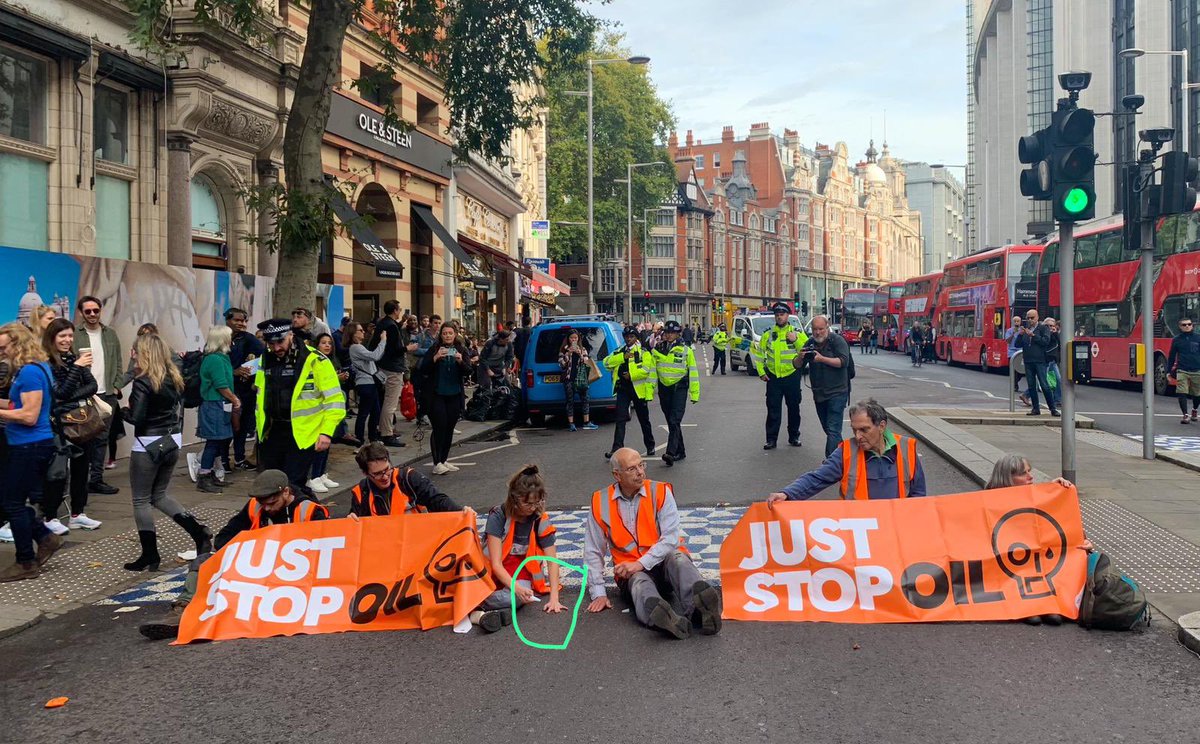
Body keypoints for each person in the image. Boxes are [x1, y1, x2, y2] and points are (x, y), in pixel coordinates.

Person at [137, 469, 328, 640]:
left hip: (295, 573)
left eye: (272, 503)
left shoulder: (309, 510)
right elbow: (223, 538)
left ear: (286, 492)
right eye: (263, 504)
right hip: (259, 567)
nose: (267, 509)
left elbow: (328, 552)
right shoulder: (256, 505)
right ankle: (183, 610)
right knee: (202, 561)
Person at [584, 448, 721, 639]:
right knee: (640, 583)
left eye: (641, 465)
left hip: (663, 565)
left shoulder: (660, 491)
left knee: (678, 558)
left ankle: (700, 610)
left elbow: (671, 538)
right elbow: (593, 550)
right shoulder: (600, 501)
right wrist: (598, 592)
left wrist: (640, 563)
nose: (640, 472)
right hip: (632, 574)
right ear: (617, 475)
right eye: (632, 468)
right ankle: (666, 619)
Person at [122, 333, 213, 572]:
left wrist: (120, 411)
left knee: (141, 499)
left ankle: (150, 555)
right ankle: (199, 532)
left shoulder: (143, 381)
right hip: (172, 440)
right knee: (160, 495)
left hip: (148, 444)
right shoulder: (173, 377)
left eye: (135, 351)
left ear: (144, 353)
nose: (132, 355)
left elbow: (137, 417)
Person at [0, 323, 65, 581]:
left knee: (12, 504)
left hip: (29, 445)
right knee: (8, 501)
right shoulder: (35, 369)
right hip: (27, 444)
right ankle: (44, 537)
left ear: (18, 345)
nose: (2, 353)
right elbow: (20, 404)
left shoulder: (28, 373)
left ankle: (26, 561)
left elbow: (28, 415)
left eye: (4, 348)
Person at [985, 453, 1081, 627]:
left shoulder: (1035, 496)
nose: (1031, 477)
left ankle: (1044, 602)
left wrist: (1056, 492)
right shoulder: (985, 503)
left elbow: (1061, 526)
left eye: (1029, 471)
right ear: (1007, 478)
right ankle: (1027, 604)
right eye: (1023, 473)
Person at [767, 398, 926, 503]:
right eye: (854, 430)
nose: (858, 436)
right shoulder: (846, 452)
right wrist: (787, 494)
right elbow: (817, 478)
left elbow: (918, 494)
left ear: (882, 426)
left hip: (895, 530)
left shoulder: (906, 448)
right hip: (858, 532)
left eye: (864, 430)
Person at [253, 319, 346, 493]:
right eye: (270, 343)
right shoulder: (265, 359)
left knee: (293, 485)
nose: (276, 348)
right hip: (271, 432)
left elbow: (335, 400)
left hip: (303, 434)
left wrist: (326, 432)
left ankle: (307, 516)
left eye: (280, 342)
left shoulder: (315, 360)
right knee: (273, 486)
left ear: (291, 335)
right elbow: (260, 395)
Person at [473, 463, 567, 632]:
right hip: (491, 573)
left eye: (537, 502)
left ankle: (477, 606)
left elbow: (552, 561)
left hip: (521, 573)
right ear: (515, 499)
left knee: (517, 598)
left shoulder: (539, 517)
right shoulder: (498, 516)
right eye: (528, 504)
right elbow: (495, 564)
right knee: (515, 595)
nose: (533, 508)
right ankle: (478, 605)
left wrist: (554, 598)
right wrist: (516, 587)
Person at [39, 318, 101, 534]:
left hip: (80, 421)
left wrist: (69, 395)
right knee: (57, 472)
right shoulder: (46, 362)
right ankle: (50, 516)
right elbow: (59, 393)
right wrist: (75, 369)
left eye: (70, 336)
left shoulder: (75, 358)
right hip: (58, 424)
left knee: (82, 468)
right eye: (62, 336)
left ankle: (78, 513)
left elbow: (92, 386)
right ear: (52, 338)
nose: (67, 340)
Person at [73, 295, 121, 495]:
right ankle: (80, 481)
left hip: (106, 393)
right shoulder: (75, 335)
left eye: (96, 310)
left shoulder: (110, 334)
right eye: (88, 311)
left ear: (100, 311)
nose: (92, 314)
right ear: (82, 313)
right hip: (83, 394)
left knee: (102, 438)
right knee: (83, 438)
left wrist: (117, 385)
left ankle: (97, 479)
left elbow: (118, 361)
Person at [416, 322, 472, 475]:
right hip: (436, 395)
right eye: (444, 333)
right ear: (441, 335)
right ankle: (437, 462)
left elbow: (468, 371)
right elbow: (423, 369)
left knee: (449, 427)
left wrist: (460, 361)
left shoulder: (461, 349)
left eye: (450, 333)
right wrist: (435, 358)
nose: (447, 336)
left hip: (454, 394)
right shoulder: (434, 349)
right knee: (439, 426)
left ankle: (444, 459)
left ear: (455, 335)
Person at [347, 441, 460, 516]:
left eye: (387, 469)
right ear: (365, 473)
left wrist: (461, 513)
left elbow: (437, 500)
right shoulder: (361, 493)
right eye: (377, 474)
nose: (385, 476)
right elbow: (356, 528)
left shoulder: (409, 479)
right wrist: (351, 520)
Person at [194, 326, 239, 494]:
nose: (231, 340)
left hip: (220, 404)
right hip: (214, 405)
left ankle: (211, 473)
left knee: (221, 441)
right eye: (229, 337)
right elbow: (221, 385)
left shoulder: (222, 358)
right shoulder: (214, 359)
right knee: (213, 442)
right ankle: (204, 475)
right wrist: (235, 399)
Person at [757, 302, 808, 450]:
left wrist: (796, 340)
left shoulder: (796, 332)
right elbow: (760, 355)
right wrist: (761, 372)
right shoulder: (768, 335)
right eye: (777, 315)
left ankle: (794, 436)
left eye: (782, 314)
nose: (779, 317)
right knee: (773, 409)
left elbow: (806, 351)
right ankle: (771, 439)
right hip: (773, 377)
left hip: (791, 376)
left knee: (793, 408)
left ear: (788, 316)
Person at [802, 315, 852, 457]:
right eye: (814, 329)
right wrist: (800, 357)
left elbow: (844, 362)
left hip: (838, 392)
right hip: (819, 394)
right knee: (829, 429)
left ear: (827, 327)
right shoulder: (810, 342)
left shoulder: (837, 341)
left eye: (821, 329)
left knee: (833, 429)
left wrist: (822, 359)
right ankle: (845, 456)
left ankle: (830, 464)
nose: (817, 332)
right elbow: (796, 365)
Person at [307, 332, 350, 493]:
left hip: (330, 409)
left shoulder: (330, 361)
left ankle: (322, 473)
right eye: (323, 342)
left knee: (327, 443)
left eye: (329, 343)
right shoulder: (315, 361)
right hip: (318, 408)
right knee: (319, 444)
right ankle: (314, 477)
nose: (327, 346)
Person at [603, 326, 656, 459]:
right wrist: (622, 357)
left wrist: (631, 375)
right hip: (623, 389)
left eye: (631, 337)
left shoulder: (644, 352)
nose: (628, 339)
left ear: (636, 338)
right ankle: (616, 448)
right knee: (620, 419)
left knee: (644, 419)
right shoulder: (620, 351)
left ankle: (650, 445)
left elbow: (646, 370)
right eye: (626, 337)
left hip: (638, 390)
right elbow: (606, 363)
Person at [653, 320, 700, 466]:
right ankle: (681, 451)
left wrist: (694, 393)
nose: (669, 335)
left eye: (672, 332)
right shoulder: (658, 348)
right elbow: (653, 371)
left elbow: (693, 371)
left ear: (677, 334)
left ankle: (670, 453)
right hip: (664, 388)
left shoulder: (686, 350)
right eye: (667, 332)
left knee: (674, 420)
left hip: (680, 388)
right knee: (671, 421)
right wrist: (649, 391)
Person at [226, 307, 265, 470]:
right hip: (225, 390)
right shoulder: (220, 337)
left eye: (244, 321)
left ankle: (239, 458)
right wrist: (233, 371)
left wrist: (252, 370)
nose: (241, 324)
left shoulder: (248, 339)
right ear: (228, 320)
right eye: (237, 320)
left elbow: (265, 355)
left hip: (244, 391)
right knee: (225, 428)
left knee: (241, 427)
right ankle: (221, 460)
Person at [371, 300, 410, 448]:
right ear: (394, 310)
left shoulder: (384, 323)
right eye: (399, 309)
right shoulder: (391, 326)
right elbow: (394, 349)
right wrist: (408, 348)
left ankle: (384, 429)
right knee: (390, 403)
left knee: (385, 400)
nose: (400, 311)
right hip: (392, 368)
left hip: (382, 366)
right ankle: (386, 433)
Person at [346, 322, 387, 444]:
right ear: (353, 334)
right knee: (364, 412)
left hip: (369, 383)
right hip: (365, 384)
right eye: (360, 330)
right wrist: (383, 340)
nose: (363, 332)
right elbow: (375, 356)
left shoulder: (359, 347)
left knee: (375, 411)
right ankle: (360, 439)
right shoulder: (356, 347)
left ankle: (372, 438)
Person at [1016, 309, 1059, 417]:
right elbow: (1017, 344)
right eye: (1028, 318)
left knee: (1044, 385)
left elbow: (1045, 341)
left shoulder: (1043, 328)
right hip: (1028, 360)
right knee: (1031, 386)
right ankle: (1036, 408)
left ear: (1037, 318)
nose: (1030, 320)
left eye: (1032, 318)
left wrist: (1033, 336)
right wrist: (1020, 335)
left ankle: (1052, 408)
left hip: (1040, 361)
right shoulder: (1026, 330)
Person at [558, 328, 598, 432]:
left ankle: (586, 422)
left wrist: (580, 353)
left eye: (575, 338)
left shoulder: (582, 349)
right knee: (570, 401)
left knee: (585, 399)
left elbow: (586, 361)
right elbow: (561, 364)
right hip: (569, 379)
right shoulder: (564, 349)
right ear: (568, 339)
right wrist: (568, 354)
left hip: (580, 379)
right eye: (572, 338)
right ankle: (571, 423)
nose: (574, 340)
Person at [1167, 315, 1200, 425]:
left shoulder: (1198, 338)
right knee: (1181, 392)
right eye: (1184, 325)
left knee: (1197, 394)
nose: (1187, 326)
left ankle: (1194, 410)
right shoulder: (1176, 340)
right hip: (1182, 370)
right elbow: (1171, 356)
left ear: (1192, 326)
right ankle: (1185, 415)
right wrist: (1168, 371)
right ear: (1179, 327)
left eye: (1189, 324)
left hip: (1197, 370)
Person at [1003, 315, 1029, 405]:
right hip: (1012, 352)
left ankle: (1016, 381)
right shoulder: (1009, 330)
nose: (1017, 323)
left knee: (1022, 370)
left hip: (1021, 352)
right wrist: (1013, 334)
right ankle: (1015, 385)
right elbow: (1007, 341)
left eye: (1018, 321)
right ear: (1013, 322)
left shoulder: (1023, 330)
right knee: (1013, 369)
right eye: (1015, 321)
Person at [1044, 317, 1063, 409]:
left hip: (1053, 361)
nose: (1049, 327)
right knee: (1043, 380)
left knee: (1058, 379)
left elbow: (1059, 344)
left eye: (1051, 326)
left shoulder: (1055, 334)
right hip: (1045, 360)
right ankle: (1026, 395)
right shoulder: (1043, 333)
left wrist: (1055, 333)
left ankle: (1058, 400)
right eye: (1047, 325)